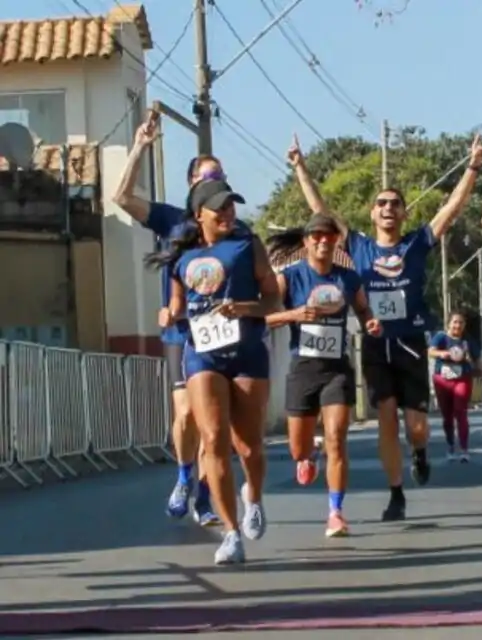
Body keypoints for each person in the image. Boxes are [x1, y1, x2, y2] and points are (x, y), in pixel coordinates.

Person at [287, 134, 482, 521]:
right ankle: (396, 494)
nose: (388, 208)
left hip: (411, 343)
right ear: (371, 212)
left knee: (415, 427)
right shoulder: (358, 246)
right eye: (381, 203)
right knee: (385, 418)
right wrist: (299, 166)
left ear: (404, 213)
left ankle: (421, 450)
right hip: (376, 345)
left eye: (395, 204)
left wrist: (473, 167)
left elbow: (451, 209)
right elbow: (321, 211)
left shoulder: (416, 243)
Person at [147, 179, 279, 565]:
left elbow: (272, 297)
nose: (227, 213)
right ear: (198, 214)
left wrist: (246, 308)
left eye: (230, 206)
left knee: (249, 445)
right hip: (202, 353)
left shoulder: (247, 244)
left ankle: (252, 495)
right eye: (218, 207)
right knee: (213, 438)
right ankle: (231, 532)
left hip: (247, 352)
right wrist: (170, 313)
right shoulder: (179, 255)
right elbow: (177, 304)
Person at [113, 111, 221, 526]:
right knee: (187, 417)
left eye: (220, 177)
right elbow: (122, 198)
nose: (214, 183)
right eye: (207, 176)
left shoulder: (231, 226)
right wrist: (140, 145)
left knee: (213, 423)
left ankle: (208, 497)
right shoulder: (172, 220)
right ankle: (184, 477)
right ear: (193, 182)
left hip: (219, 334)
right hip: (180, 331)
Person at [265, 214, 383, 537]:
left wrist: (371, 322)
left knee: (337, 439)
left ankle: (335, 512)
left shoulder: (348, 278)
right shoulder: (289, 278)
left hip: (336, 369)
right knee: (297, 449)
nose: (322, 241)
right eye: (315, 236)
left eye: (328, 237)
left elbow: (363, 310)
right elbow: (262, 318)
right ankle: (308, 454)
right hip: (303, 368)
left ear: (335, 242)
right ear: (305, 243)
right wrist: (293, 314)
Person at [428, 313, 482, 462]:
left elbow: (478, 360)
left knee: (461, 412)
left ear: (464, 325)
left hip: (462, 379)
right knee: (447, 416)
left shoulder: (468, 341)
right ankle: (450, 445)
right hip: (442, 380)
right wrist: (443, 353)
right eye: (454, 322)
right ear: (449, 324)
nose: (457, 326)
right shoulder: (441, 337)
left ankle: (464, 449)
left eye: (460, 323)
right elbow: (430, 351)